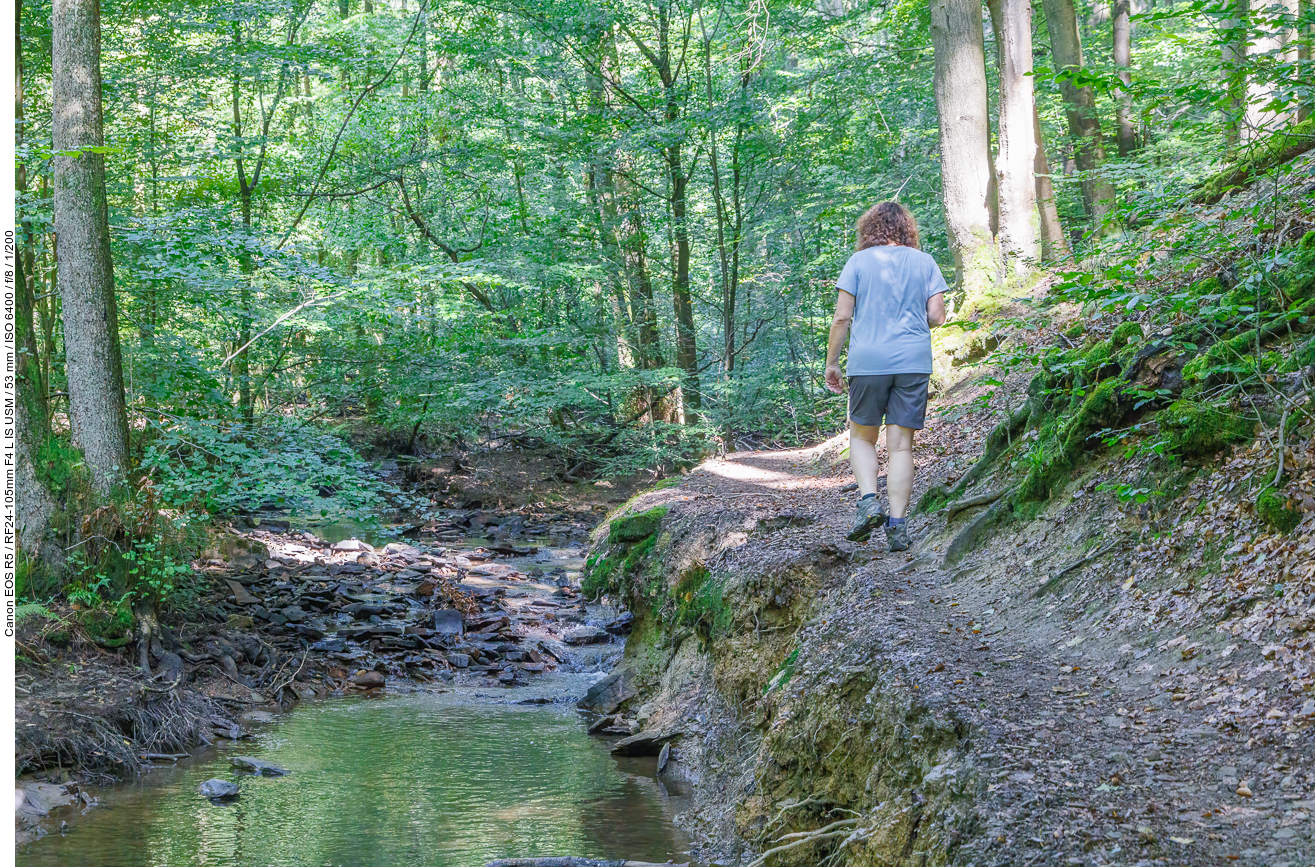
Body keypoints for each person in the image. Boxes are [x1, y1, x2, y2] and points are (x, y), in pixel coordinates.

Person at [824, 201, 948, 552]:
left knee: (862, 438)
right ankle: (898, 528)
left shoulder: (858, 263)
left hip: (868, 362)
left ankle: (868, 501)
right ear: (907, 229)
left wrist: (832, 362)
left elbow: (841, 319)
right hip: (913, 362)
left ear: (869, 229)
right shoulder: (925, 263)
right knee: (901, 446)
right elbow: (937, 317)